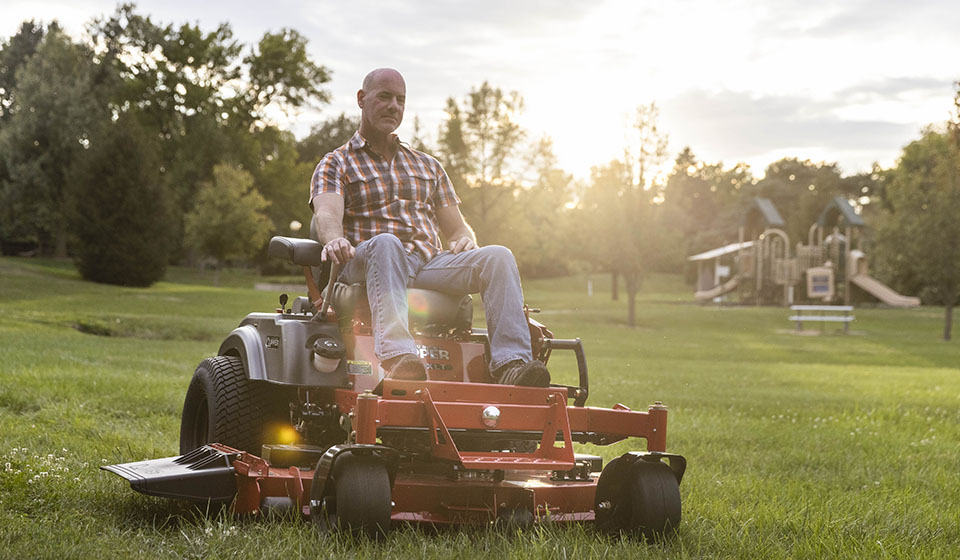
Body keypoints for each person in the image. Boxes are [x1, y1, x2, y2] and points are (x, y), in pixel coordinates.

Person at [309, 68, 549, 387]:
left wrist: (464, 240)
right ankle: (399, 358)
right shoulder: (337, 162)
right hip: (367, 261)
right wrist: (334, 240)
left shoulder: (428, 165)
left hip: (427, 263)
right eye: (384, 97)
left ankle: (512, 364)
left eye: (401, 100)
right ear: (361, 99)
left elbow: (459, 230)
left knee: (498, 256)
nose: (394, 106)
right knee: (386, 243)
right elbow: (326, 213)